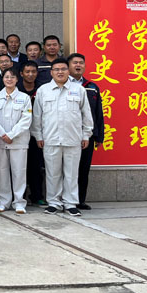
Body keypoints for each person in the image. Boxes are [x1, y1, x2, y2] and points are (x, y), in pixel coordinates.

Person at [31, 58, 94, 217]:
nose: (60, 72)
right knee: (52, 173)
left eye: (63, 69)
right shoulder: (43, 90)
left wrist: (86, 134)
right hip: (50, 138)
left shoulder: (78, 90)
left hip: (73, 139)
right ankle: (54, 202)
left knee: (72, 173)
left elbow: (86, 114)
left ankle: (70, 203)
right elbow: (37, 116)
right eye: (57, 69)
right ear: (51, 72)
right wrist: (38, 135)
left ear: (68, 71)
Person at [0, 67, 33, 215]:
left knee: (19, 172)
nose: (9, 79)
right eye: (7, 77)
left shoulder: (24, 98)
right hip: (0, 140)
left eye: (12, 77)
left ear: (17, 79)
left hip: (18, 141)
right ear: (2, 79)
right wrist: (3, 134)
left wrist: (12, 135)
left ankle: (19, 202)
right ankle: (3, 201)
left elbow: (26, 119)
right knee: (1, 171)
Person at [68, 53, 105, 210]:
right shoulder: (63, 85)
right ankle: (66, 199)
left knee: (83, 168)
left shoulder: (92, 87)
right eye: (75, 63)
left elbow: (98, 112)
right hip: (68, 133)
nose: (78, 65)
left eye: (81, 63)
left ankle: (80, 200)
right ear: (68, 66)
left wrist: (99, 135)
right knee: (68, 169)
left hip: (87, 135)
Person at [18, 60, 46, 206]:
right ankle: (19, 196)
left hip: (37, 134)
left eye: (33, 72)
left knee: (36, 166)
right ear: (21, 74)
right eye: (27, 72)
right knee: (19, 167)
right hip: (19, 133)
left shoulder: (42, 90)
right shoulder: (16, 89)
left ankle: (37, 195)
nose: (30, 74)